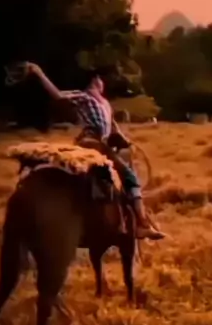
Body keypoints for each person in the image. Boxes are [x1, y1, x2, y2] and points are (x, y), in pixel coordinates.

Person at [25, 63, 166, 241]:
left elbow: (113, 126)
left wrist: (123, 139)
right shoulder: (83, 96)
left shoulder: (105, 104)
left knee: (121, 174)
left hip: (101, 144)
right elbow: (58, 95)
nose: (102, 82)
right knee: (129, 176)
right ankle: (142, 225)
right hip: (91, 143)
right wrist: (39, 73)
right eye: (99, 79)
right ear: (95, 80)